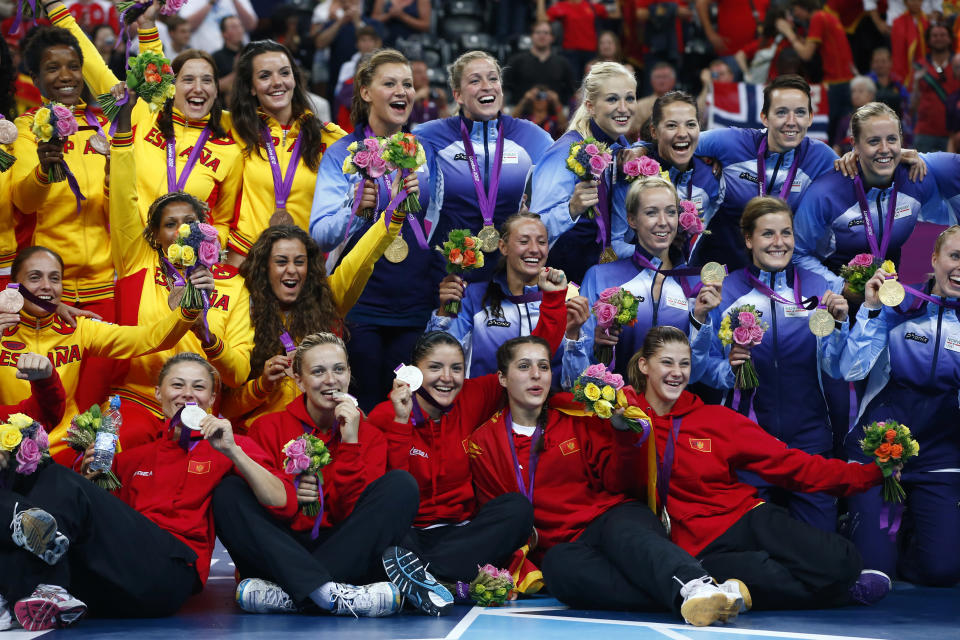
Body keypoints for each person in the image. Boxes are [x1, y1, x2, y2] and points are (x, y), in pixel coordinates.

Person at [468, 335, 750, 627]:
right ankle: (710, 593)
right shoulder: (484, 442)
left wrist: (623, 435)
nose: (537, 375)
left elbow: (618, 482)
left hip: (610, 516)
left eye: (543, 366)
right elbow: (499, 518)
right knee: (559, 571)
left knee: (622, 532)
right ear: (502, 378)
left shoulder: (575, 416)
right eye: (524, 366)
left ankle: (694, 584)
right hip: (565, 546)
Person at [0, 352, 294, 631]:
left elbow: (282, 500)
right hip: (120, 580)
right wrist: (88, 479)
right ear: (158, 394)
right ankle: (28, 587)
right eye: (177, 385)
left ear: (212, 398)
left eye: (199, 387)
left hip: (170, 573)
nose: (188, 393)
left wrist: (233, 450)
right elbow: (94, 534)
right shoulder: (133, 457)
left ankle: (33, 580)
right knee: (41, 471)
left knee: (60, 478)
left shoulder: (229, 445)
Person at [628, 326, 892, 609]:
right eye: (667, 362)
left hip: (746, 518)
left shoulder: (715, 419)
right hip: (697, 546)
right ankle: (840, 594)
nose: (676, 373)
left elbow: (791, 464)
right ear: (644, 365)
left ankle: (738, 591)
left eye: (685, 364)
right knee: (765, 574)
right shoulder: (628, 420)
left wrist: (871, 474)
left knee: (842, 560)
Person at [367, 273, 567, 595]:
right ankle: (439, 579)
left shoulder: (472, 397)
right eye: (435, 368)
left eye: (457, 368)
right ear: (414, 374)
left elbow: (527, 359)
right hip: (409, 532)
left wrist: (554, 300)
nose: (448, 379)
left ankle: (422, 578)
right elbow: (388, 496)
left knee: (517, 510)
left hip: (462, 534)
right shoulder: (384, 414)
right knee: (388, 536)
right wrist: (402, 424)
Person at [215, 333, 441, 617]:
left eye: (338, 369)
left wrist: (350, 442)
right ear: (298, 380)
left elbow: (353, 513)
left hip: (342, 549)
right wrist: (290, 493)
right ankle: (325, 593)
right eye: (318, 371)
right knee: (229, 492)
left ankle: (294, 594)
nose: (331, 380)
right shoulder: (267, 427)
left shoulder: (368, 434)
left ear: (349, 373)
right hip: (283, 549)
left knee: (401, 487)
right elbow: (269, 507)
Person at [104, 85, 253, 448]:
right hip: (138, 400)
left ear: (205, 227)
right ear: (154, 234)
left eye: (189, 221)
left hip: (199, 408)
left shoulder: (230, 284)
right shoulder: (136, 260)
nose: (181, 230)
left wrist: (205, 334)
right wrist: (123, 124)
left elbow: (238, 373)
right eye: (170, 224)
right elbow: (124, 195)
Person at [700, 196, 850, 532]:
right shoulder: (724, 292)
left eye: (786, 233)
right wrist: (729, 371)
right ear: (749, 240)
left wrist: (840, 325)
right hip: (748, 440)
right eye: (768, 234)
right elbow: (701, 368)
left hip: (809, 439)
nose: (779, 242)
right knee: (757, 545)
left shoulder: (818, 289)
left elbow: (836, 365)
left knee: (818, 550)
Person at [46, 0, 245, 243]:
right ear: (172, 87)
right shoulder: (141, 115)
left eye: (207, 81)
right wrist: (55, 7)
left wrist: (208, 243)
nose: (198, 88)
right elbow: (94, 65)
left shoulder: (230, 145)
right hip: (134, 257)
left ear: (216, 89)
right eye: (188, 80)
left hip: (187, 268)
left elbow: (224, 222)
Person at [838, 226, 960, 587]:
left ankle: (910, 529)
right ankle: (858, 530)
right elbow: (851, 369)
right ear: (935, 259)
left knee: (943, 572)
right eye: (954, 256)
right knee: (876, 571)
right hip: (876, 449)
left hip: (941, 457)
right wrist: (873, 310)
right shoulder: (899, 305)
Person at [309, 49, 427, 412]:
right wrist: (355, 208)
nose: (401, 92)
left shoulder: (426, 153)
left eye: (407, 84)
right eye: (389, 83)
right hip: (359, 308)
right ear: (364, 91)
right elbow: (320, 234)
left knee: (405, 411)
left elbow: (434, 228)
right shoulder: (343, 154)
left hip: (413, 306)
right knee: (365, 407)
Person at [0, 245, 200, 459]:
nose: (47, 286)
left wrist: (188, 309)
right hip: (5, 444)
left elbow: (149, 338)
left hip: (63, 449)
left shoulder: (80, 329)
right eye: (35, 278)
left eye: (55, 278)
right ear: (14, 285)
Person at [223, 216, 410, 429]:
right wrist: (261, 385)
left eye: (300, 262)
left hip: (321, 433)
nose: (292, 269)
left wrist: (394, 214)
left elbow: (361, 259)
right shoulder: (242, 311)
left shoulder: (326, 302)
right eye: (281, 261)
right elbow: (225, 408)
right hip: (266, 439)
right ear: (264, 268)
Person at [561, 175, 721, 382]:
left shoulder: (695, 284)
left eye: (670, 212)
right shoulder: (600, 277)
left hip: (671, 409)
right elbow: (576, 377)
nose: (663, 222)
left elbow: (695, 374)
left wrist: (699, 321)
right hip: (616, 408)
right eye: (651, 213)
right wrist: (595, 346)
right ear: (632, 220)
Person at [415, 50, 554, 283]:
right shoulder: (430, 136)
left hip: (509, 276)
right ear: (458, 95)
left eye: (493, 78)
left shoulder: (532, 137)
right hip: (448, 275)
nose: (487, 86)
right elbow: (414, 199)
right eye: (475, 80)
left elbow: (558, 193)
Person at [11, 24, 116, 318]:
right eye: (53, 68)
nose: (66, 76)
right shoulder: (27, 130)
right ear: (36, 78)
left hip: (105, 286)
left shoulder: (106, 129)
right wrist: (44, 169)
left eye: (73, 66)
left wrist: (112, 177)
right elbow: (24, 202)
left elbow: (124, 211)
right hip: (47, 290)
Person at [793, 102, 945, 297]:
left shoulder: (914, 177)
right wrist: (842, 288)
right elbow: (797, 255)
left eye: (892, 139)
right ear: (854, 144)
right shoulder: (825, 193)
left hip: (889, 302)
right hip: (837, 305)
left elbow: (947, 217)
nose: (884, 148)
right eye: (873, 141)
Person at [692, 74, 839, 271]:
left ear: (811, 118)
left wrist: (852, 160)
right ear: (764, 117)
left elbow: (864, 174)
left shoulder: (821, 157)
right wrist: (641, 149)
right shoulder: (732, 143)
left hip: (780, 278)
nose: (791, 121)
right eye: (781, 113)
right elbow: (676, 142)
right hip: (716, 273)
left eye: (800, 112)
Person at [225, 40, 346, 263]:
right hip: (246, 263)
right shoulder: (231, 129)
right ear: (250, 87)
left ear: (294, 79)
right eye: (264, 76)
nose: (277, 82)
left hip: (303, 267)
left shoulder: (329, 138)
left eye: (284, 73)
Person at [428, 214, 591, 378]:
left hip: (546, 402)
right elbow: (439, 361)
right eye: (524, 241)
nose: (534, 249)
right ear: (503, 247)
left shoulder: (563, 301)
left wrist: (573, 335)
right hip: (487, 402)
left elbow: (577, 385)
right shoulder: (474, 297)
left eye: (542, 242)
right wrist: (444, 312)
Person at [531, 61, 638, 285]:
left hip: (602, 275)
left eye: (629, 98)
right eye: (612, 99)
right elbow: (533, 230)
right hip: (561, 281)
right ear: (590, 106)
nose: (623, 108)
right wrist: (571, 210)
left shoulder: (621, 148)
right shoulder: (563, 153)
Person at [640, 91, 720, 262]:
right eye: (671, 126)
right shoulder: (635, 173)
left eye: (691, 124)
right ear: (654, 131)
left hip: (689, 280)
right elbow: (615, 242)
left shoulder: (713, 177)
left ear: (700, 127)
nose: (682, 133)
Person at [775, 0, 855, 147]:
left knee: (828, 135)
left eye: (795, 9)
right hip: (846, 81)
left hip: (834, 84)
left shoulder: (818, 18)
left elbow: (806, 54)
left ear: (803, 6)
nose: (795, 14)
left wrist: (788, 32)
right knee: (838, 135)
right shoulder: (828, 16)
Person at [910, 23, 959, 153]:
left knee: (952, 173)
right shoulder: (919, 66)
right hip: (925, 132)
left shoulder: (958, 63)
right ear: (928, 40)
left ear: (950, 39)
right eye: (935, 36)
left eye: (943, 35)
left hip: (953, 133)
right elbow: (912, 106)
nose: (939, 38)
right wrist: (916, 83)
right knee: (921, 172)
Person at [503, 21, 575, 106]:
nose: (542, 36)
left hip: (554, 116)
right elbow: (503, 88)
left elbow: (573, 92)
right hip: (520, 114)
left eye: (546, 33)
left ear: (552, 38)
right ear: (531, 36)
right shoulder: (516, 61)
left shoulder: (563, 63)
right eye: (538, 32)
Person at [833, 76, 877, 155]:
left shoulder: (878, 119)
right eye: (853, 91)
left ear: (871, 95)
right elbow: (837, 147)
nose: (856, 95)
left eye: (860, 91)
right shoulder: (845, 120)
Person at [212, 15, 245, 98]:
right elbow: (213, 87)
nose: (239, 30)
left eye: (240, 26)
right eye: (234, 27)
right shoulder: (216, 57)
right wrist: (237, 71)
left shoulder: (250, 53)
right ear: (224, 34)